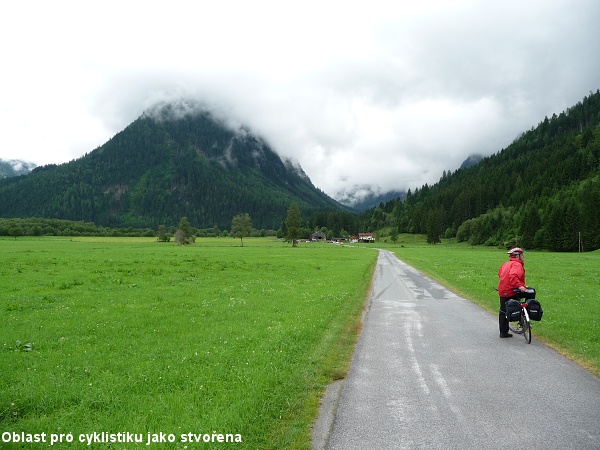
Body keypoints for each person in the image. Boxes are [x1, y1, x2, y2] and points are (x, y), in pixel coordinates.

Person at [497, 247, 527, 338]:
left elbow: (500, 274)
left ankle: (503, 332)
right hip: (512, 290)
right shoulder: (517, 265)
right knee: (529, 295)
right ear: (518, 256)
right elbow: (513, 276)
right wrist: (520, 286)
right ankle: (524, 317)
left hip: (502, 290)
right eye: (522, 255)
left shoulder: (505, 264)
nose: (523, 256)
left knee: (503, 311)